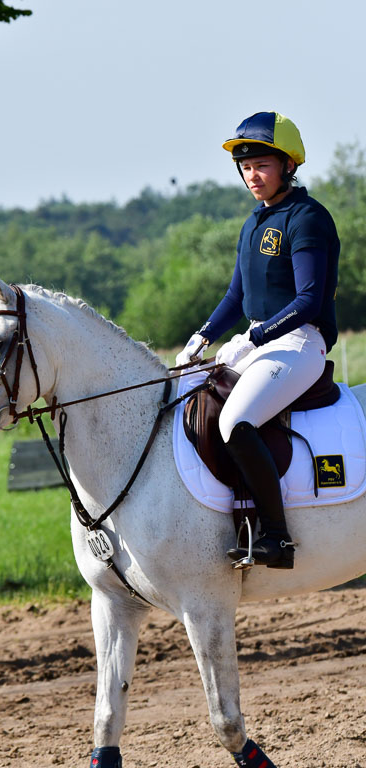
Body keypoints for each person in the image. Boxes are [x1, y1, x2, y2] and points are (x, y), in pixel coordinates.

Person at [176, 111, 340, 569]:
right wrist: (202, 337)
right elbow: (237, 296)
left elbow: (308, 300)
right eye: (245, 167)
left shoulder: (307, 218)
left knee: (235, 421)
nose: (252, 175)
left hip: (300, 343)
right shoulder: (253, 223)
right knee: (191, 399)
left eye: (261, 165)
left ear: (289, 165)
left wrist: (255, 336)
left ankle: (277, 537)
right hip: (261, 343)